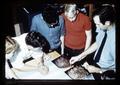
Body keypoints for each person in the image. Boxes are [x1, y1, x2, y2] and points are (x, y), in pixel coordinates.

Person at [70, 4, 116, 80]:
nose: (96, 27)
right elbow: (98, 43)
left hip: (107, 72)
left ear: (107, 23)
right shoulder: (103, 27)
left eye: (98, 24)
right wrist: (80, 56)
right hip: (96, 64)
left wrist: (98, 70)